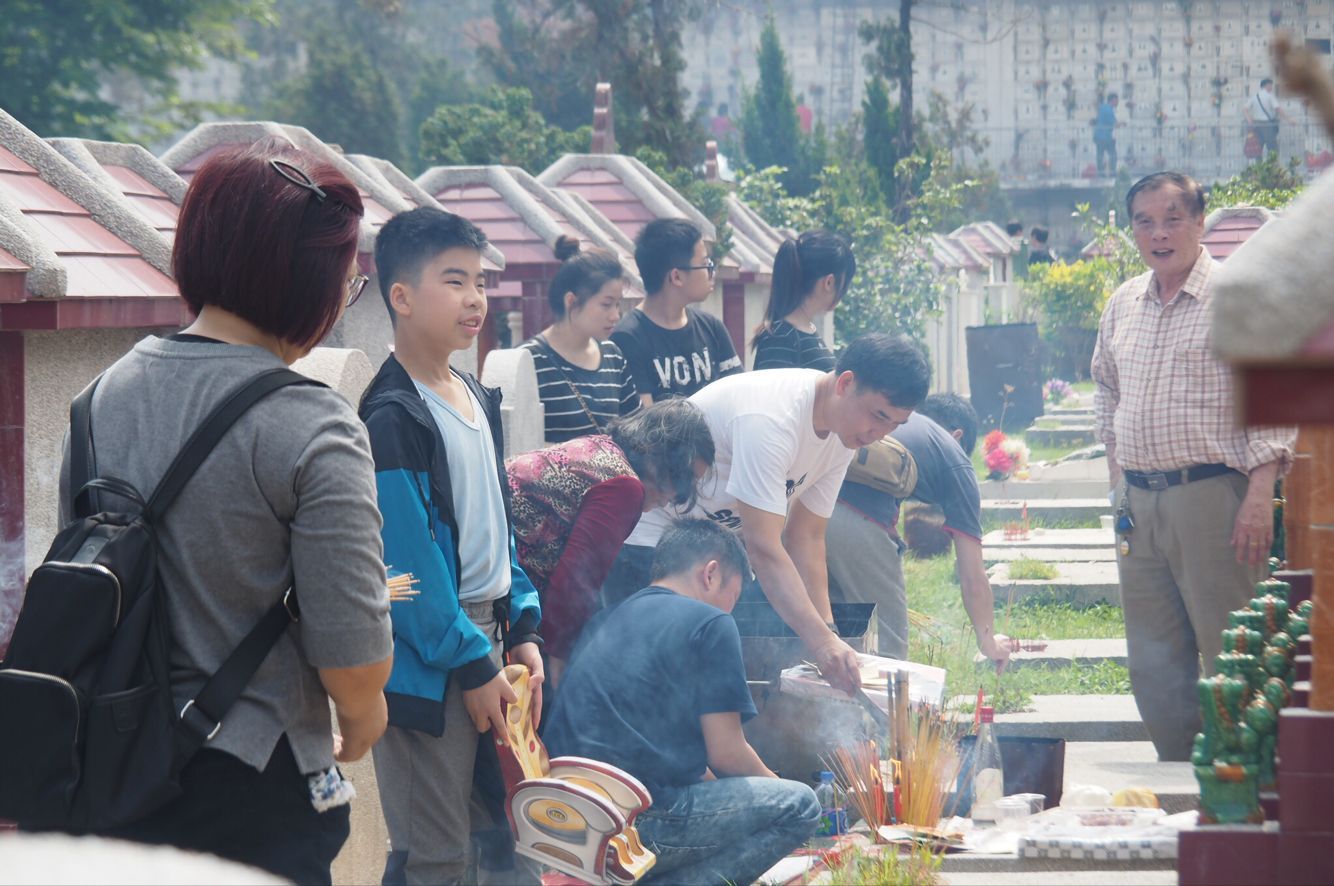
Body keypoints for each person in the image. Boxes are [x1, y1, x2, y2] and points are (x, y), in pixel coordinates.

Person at [80, 143, 393, 883]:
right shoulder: (312, 425)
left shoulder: (98, 399)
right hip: (253, 781)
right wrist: (364, 714)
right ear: (307, 282)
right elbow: (352, 656)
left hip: (115, 769)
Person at [360, 207, 545, 883]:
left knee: (502, 838)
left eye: (480, 282)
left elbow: (495, 524)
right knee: (433, 854)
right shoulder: (392, 416)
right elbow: (408, 563)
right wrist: (471, 665)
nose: (475, 299)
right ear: (401, 297)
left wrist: (522, 623)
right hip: (430, 658)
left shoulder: (473, 394)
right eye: (454, 281)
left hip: (489, 639)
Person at [1091, 172, 1295, 762]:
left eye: (1172, 218)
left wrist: (1260, 494)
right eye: (1144, 221)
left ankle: (1242, 772)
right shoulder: (1125, 301)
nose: (1158, 233)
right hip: (1139, 500)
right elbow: (1105, 387)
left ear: (1200, 222)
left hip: (1214, 498)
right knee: (1153, 652)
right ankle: (1179, 768)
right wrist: (1115, 478)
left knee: (1227, 644)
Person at [606, 333, 932, 694]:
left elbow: (805, 538)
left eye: (894, 425)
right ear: (845, 382)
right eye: (878, 416)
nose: (879, 433)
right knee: (660, 674)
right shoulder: (772, 420)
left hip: (711, 545)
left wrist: (828, 632)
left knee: (713, 661)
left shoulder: (844, 434)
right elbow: (765, 547)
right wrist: (821, 644)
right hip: (652, 537)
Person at [545, 519, 821, 886]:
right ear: (710, 573)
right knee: (800, 805)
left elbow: (679, 759)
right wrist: (777, 784)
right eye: (733, 599)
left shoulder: (607, 620)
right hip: (637, 822)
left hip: (565, 817)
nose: (730, 611)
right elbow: (727, 754)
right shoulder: (710, 623)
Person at [506, 399, 715, 682]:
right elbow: (576, 581)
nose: (677, 496)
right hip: (504, 595)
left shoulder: (604, 448)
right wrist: (560, 662)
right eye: (686, 479)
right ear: (667, 459)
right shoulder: (625, 487)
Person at [827, 393, 1012, 667]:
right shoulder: (956, 460)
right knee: (889, 649)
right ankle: (885, 708)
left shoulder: (902, 421)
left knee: (830, 631)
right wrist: (989, 642)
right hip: (856, 522)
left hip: (801, 514)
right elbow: (973, 577)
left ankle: (815, 706)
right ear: (958, 436)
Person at [520, 235, 638, 443]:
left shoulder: (613, 356)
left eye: (617, 304)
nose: (615, 315)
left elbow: (636, 430)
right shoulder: (530, 360)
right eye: (606, 304)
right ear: (571, 301)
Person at [611, 218, 742, 403]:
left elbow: (737, 398)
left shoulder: (712, 327)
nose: (711, 272)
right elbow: (643, 423)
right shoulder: (628, 338)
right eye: (705, 264)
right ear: (677, 276)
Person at [750, 230, 855, 371]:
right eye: (844, 285)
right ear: (829, 282)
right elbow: (773, 392)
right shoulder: (781, 338)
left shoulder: (806, 331)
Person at [1244, 77, 1292, 158]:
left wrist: (1249, 120)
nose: (1271, 88)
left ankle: (1258, 169)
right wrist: (1288, 119)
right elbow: (1278, 109)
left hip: (1256, 125)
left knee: (1258, 149)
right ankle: (1272, 168)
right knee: (1273, 149)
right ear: (1267, 85)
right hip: (1267, 126)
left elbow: (1244, 109)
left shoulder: (1254, 96)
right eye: (1271, 86)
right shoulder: (1269, 96)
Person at [1093, 93, 1119, 176]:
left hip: (1098, 135)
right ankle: (1112, 173)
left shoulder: (1103, 107)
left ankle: (1101, 174)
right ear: (1113, 100)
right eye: (1116, 100)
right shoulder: (1108, 109)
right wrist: (1121, 124)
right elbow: (1113, 123)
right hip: (1105, 136)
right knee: (1113, 155)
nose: (1117, 102)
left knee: (1100, 155)